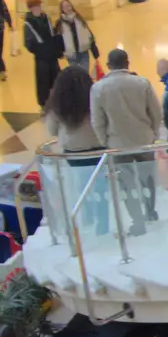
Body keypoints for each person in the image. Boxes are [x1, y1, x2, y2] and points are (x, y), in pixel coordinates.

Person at [91, 48, 162, 230]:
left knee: (126, 183)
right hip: (144, 139)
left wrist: (104, 142)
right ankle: (150, 211)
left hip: (117, 144)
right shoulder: (142, 83)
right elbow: (155, 111)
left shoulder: (98, 88)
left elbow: (97, 121)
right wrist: (153, 133)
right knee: (147, 178)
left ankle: (137, 220)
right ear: (127, 63)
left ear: (108, 66)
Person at [44, 66, 106, 232]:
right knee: (101, 188)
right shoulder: (95, 97)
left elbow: (51, 130)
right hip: (99, 149)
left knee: (81, 187)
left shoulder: (57, 104)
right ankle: (103, 223)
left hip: (74, 153)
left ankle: (86, 219)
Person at [22, 0, 63, 107]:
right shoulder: (28, 23)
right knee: (43, 82)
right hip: (41, 58)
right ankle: (44, 104)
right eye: (36, 7)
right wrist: (40, 50)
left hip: (52, 55)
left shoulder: (46, 18)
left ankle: (58, 101)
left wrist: (57, 49)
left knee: (56, 79)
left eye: (39, 6)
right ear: (31, 9)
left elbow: (52, 34)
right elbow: (28, 43)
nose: (39, 9)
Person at [57, 0, 97, 72]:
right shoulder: (60, 24)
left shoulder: (79, 19)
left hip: (83, 52)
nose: (68, 8)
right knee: (76, 76)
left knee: (84, 74)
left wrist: (94, 50)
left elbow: (89, 34)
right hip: (71, 55)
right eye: (65, 7)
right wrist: (60, 53)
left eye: (69, 5)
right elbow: (58, 40)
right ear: (62, 9)